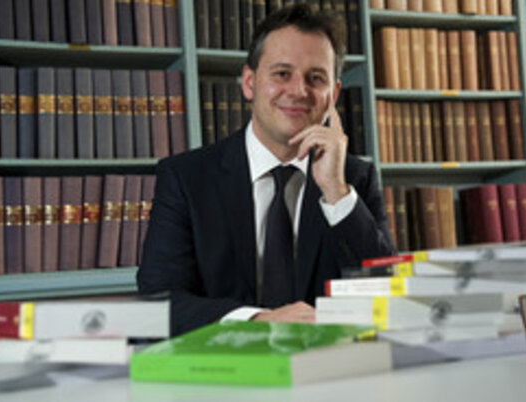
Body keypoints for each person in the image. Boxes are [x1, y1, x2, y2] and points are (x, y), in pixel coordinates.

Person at [138, 4, 395, 336]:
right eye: (282, 74)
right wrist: (258, 321)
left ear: (333, 95)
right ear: (249, 83)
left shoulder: (353, 180)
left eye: (315, 78)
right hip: (226, 362)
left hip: (327, 362)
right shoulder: (186, 179)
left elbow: (388, 294)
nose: (299, 91)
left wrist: (336, 192)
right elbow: (157, 303)